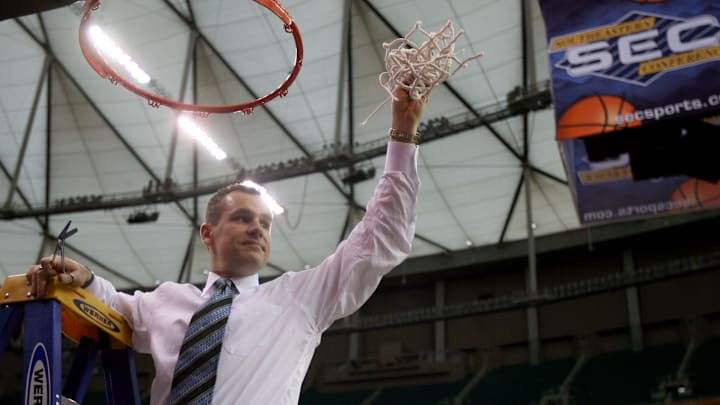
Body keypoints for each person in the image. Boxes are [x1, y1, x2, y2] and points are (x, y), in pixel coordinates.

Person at [26, 85, 429, 404]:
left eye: (265, 223)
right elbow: (114, 306)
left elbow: (381, 237)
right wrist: (84, 277)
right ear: (207, 233)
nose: (257, 228)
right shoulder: (166, 302)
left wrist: (403, 135)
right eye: (242, 218)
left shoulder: (299, 299)